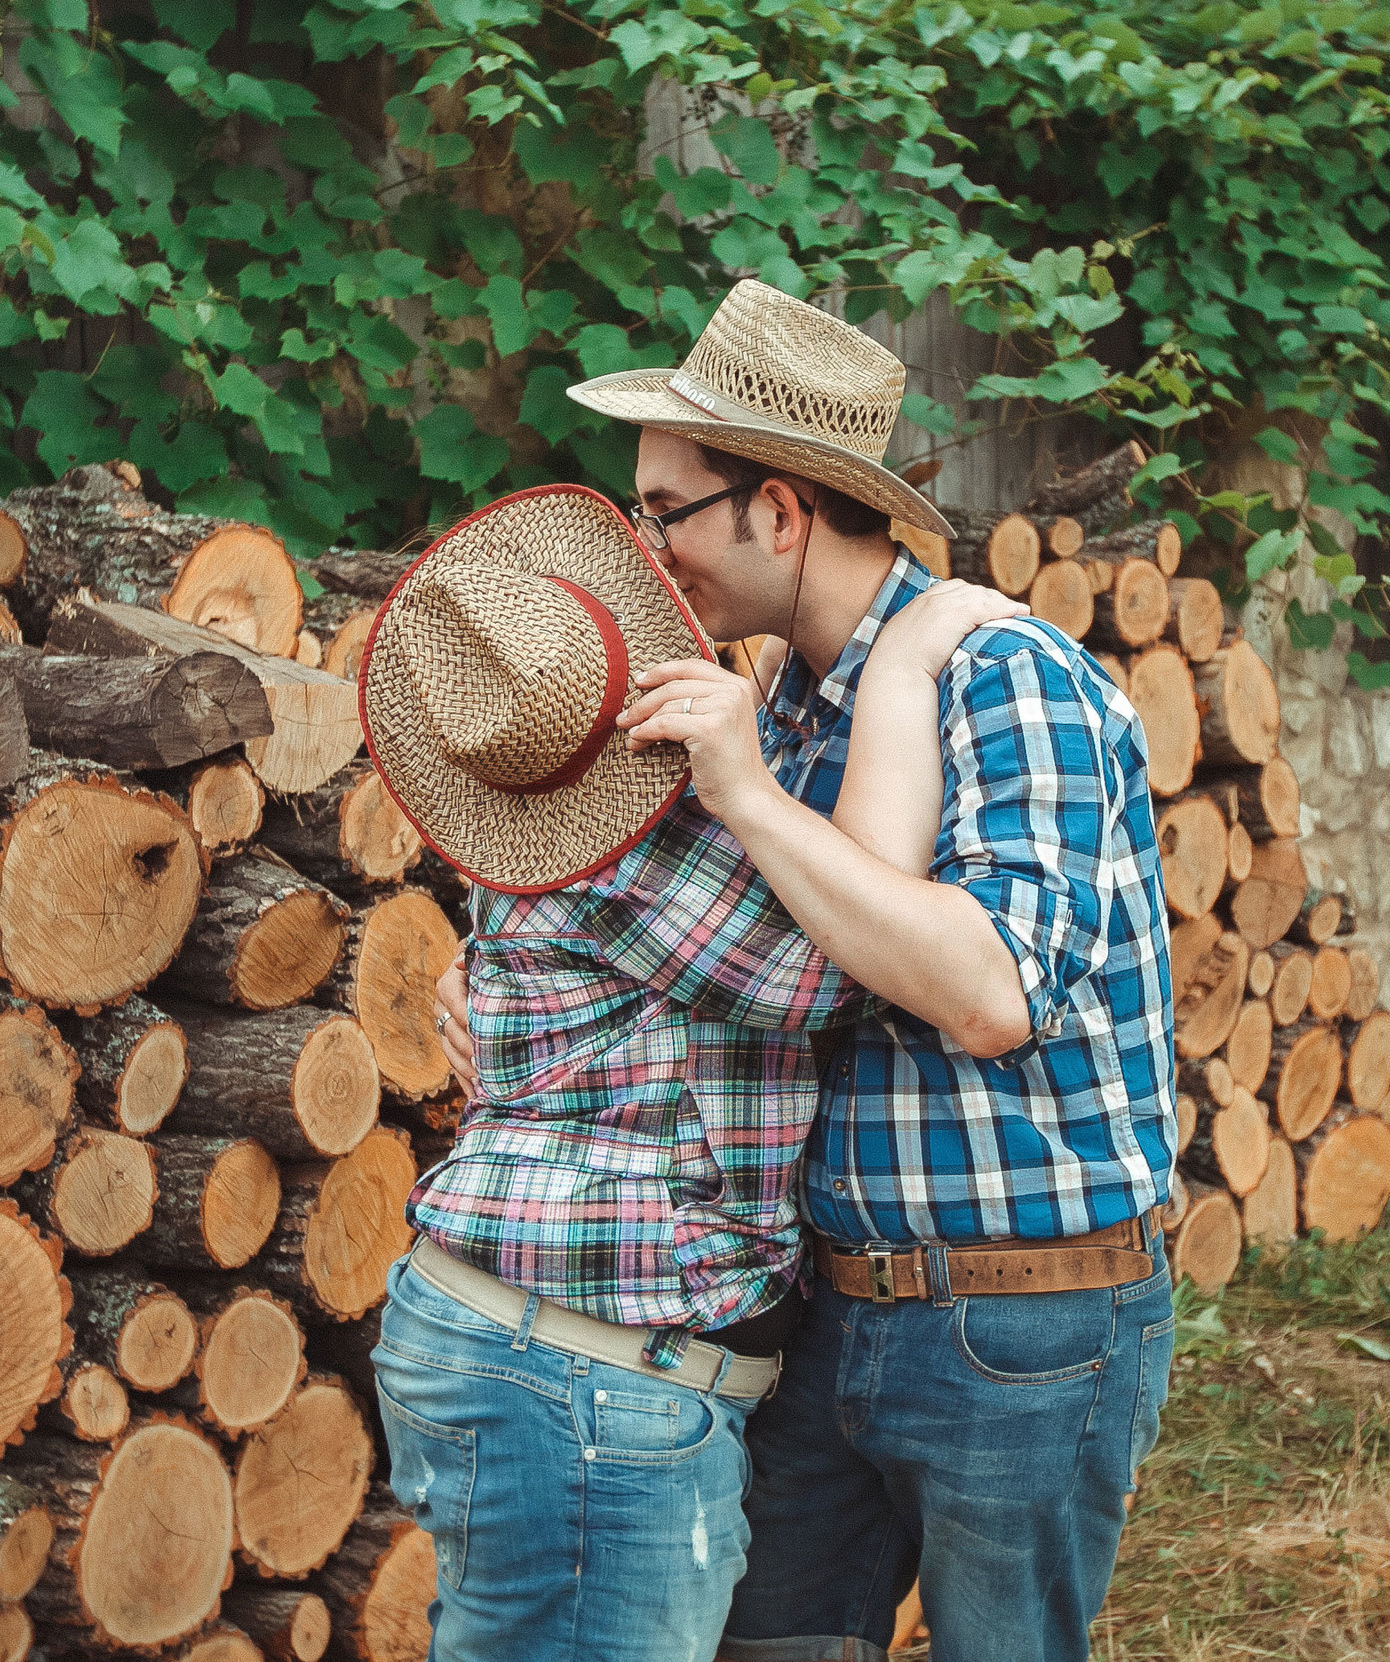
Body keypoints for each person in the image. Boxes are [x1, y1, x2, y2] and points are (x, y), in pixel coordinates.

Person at [440, 278, 1178, 1661]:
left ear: (778, 512)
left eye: (666, 511)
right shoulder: (773, 694)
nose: (643, 549)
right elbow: (713, 947)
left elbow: (987, 992)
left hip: (1020, 1313)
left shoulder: (1003, 675)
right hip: (823, 1307)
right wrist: (494, 987)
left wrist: (758, 793)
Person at [353, 483, 1019, 1662]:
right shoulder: (640, 844)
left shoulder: (544, 807)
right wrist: (898, 678)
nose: (655, 543)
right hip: (580, 1378)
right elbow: (848, 964)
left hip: (537, 1348)